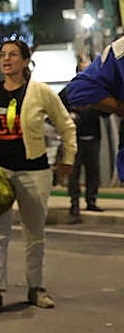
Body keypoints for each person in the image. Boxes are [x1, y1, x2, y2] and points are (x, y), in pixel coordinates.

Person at [0, 39, 75, 312]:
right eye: (3, 55)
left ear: (25, 61)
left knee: (34, 233)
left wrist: (68, 158)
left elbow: (66, 125)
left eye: (13, 55)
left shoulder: (40, 92)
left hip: (34, 171)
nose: (6, 59)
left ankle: (36, 287)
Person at [64, 35, 124, 181]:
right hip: (80, 137)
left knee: (92, 172)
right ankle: (77, 200)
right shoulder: (119, 50)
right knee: (81, 173)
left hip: (93, 137)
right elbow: (78, 90)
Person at [65, 58, 105, 223]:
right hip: (75, 140)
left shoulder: (97, 92)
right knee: (73, 174)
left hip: (92, 138)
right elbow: (58, 111)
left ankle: (91, 201)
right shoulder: (69, 91)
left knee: (92, 171)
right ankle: (74, 205)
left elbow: (107, 111)